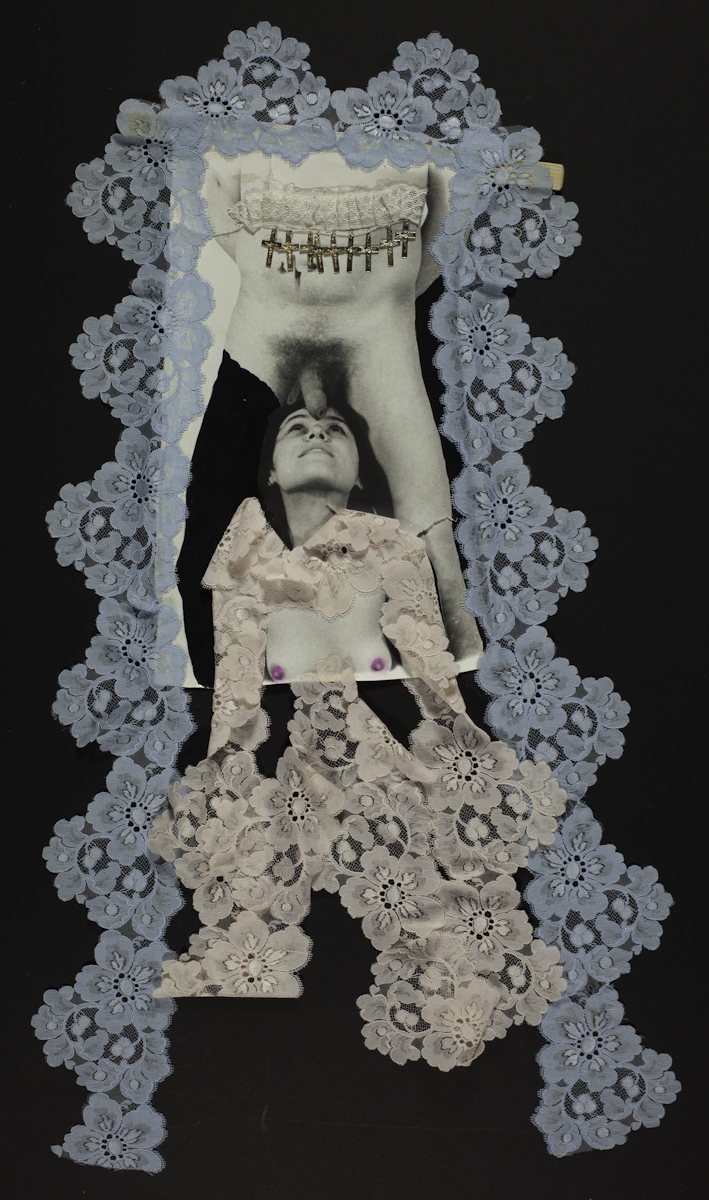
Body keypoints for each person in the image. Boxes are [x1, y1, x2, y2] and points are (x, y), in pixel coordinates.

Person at [148, 401, 567, 1066]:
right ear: (271, 470)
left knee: (409, 867)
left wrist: (457, 748)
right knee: (247, 844)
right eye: (297, 428)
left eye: (335, 429)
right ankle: (246, 957)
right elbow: (234, 668)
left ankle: (456, 985)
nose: (316, 432)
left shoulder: (389, 541)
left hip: (375, 720)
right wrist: (222, 764)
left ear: (358, 473)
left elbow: (426, 653)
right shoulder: (245, 539)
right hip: (278, 730)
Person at [201, 147, 482, 664]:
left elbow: (448, 210)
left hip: (375, 324)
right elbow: (215, 195)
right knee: (210, 516)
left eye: (331, 430)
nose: (316, 429)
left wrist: (385, 296)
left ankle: (454, 665)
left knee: (439, 550)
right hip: (274, 318)